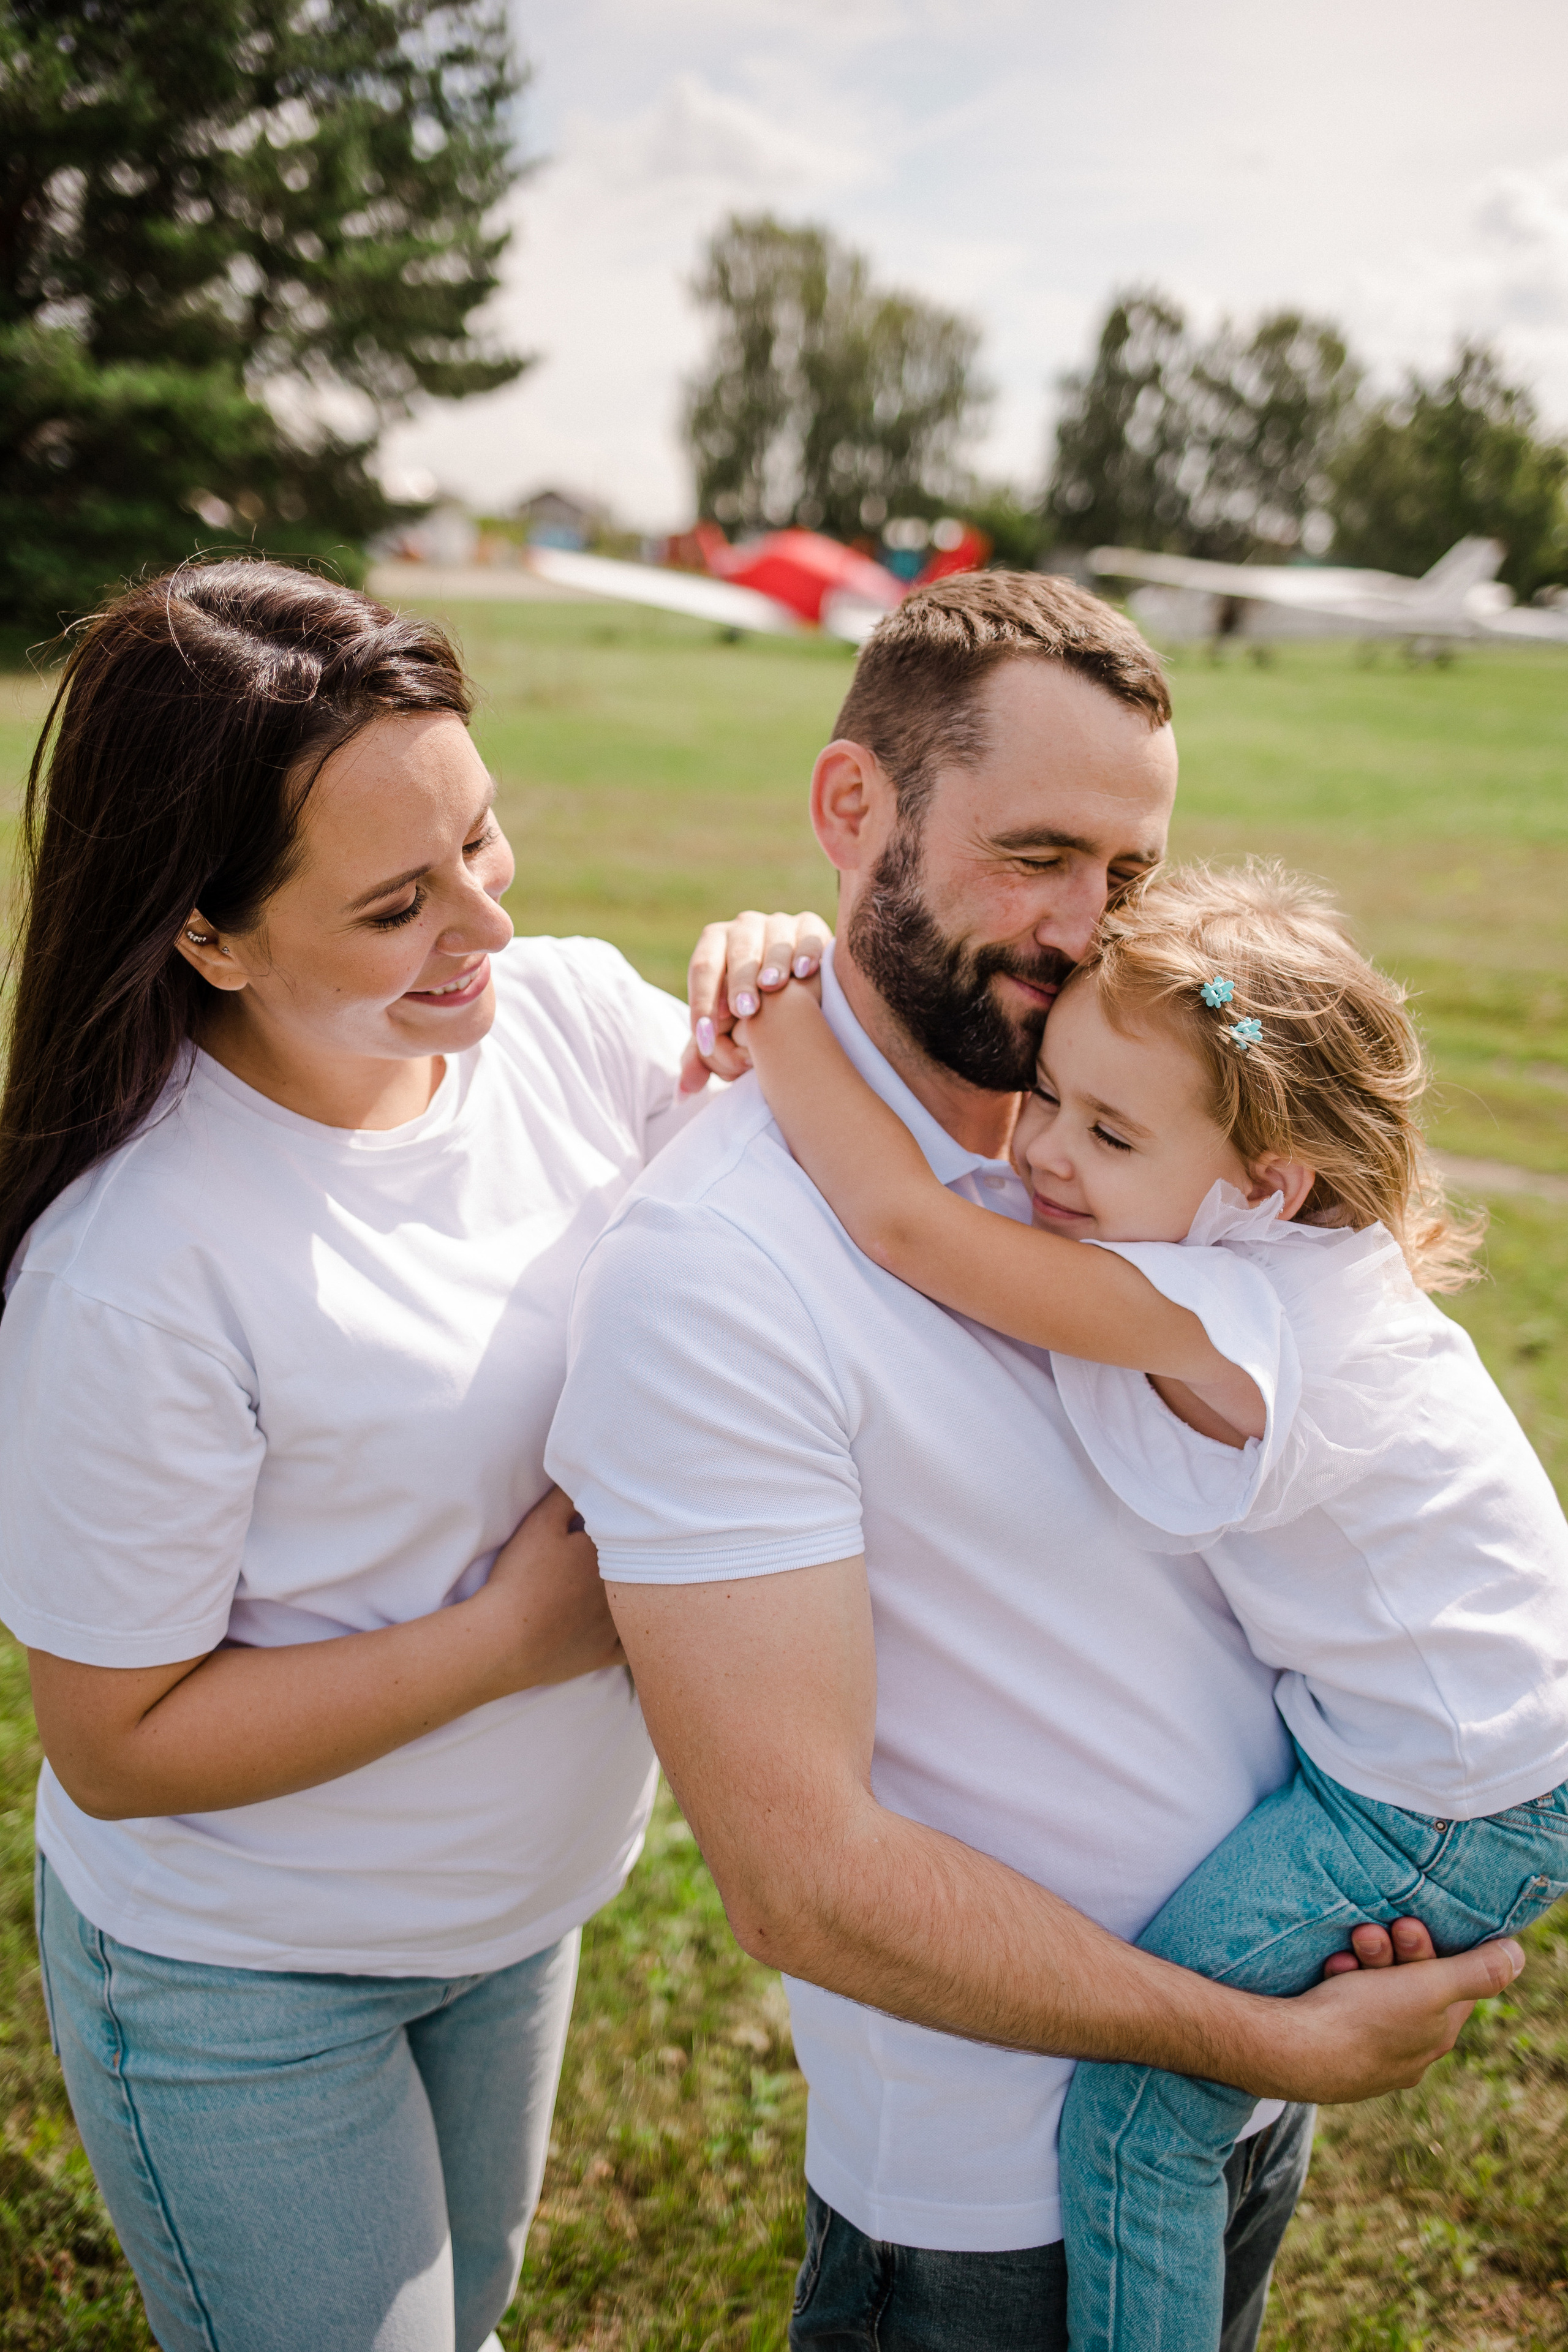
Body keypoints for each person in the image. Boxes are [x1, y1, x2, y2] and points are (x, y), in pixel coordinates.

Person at [548, 570, 1526, 2352]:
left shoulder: (1122, 1157)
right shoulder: (719, 1267)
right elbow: (801, 1877)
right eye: (1038, 853)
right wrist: (1268, 2035)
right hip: (1002, 2196)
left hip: (1249, 2069)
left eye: (1130, 876)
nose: (1087, 929)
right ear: (856, 812)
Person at [0, 558, 826, 2352]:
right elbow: (114, 1743)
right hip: (246, 1982)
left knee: (472, 2325)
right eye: (395, 907)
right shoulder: (136, 1270)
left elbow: (850, 1196)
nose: (486, 928)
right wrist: (519, 1635)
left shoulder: (578, 1028)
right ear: (208, 937)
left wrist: (806, 985)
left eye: (484, 837)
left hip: (516, 1923)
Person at [734, 855, 1568, 2350]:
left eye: (1108, 1132)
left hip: (1435, 1801)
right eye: (1045, 1094)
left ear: (1267, 1183)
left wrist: (780, 1012)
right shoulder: (1263, 1248)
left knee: (1137, 2119)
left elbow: (910, 1229)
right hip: (1454, 1759)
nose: (1043, 1152)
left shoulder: (1235, 1313)